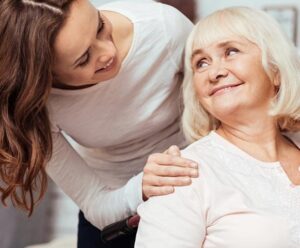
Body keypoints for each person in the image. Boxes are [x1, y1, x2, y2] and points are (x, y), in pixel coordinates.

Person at [0, 0, 199, 247]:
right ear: (46, 77)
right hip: (115, 207)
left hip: (195, 182)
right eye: (84, 58)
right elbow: (96, 204)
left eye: (100, 26)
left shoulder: (162, 29)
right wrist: (143, 187)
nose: (108, 52)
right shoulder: (36, 106)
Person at [135, 6, 300, 248]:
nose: (214, 72)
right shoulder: (184, 174)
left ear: (275, 69)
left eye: (231, 51)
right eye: (201, 63)